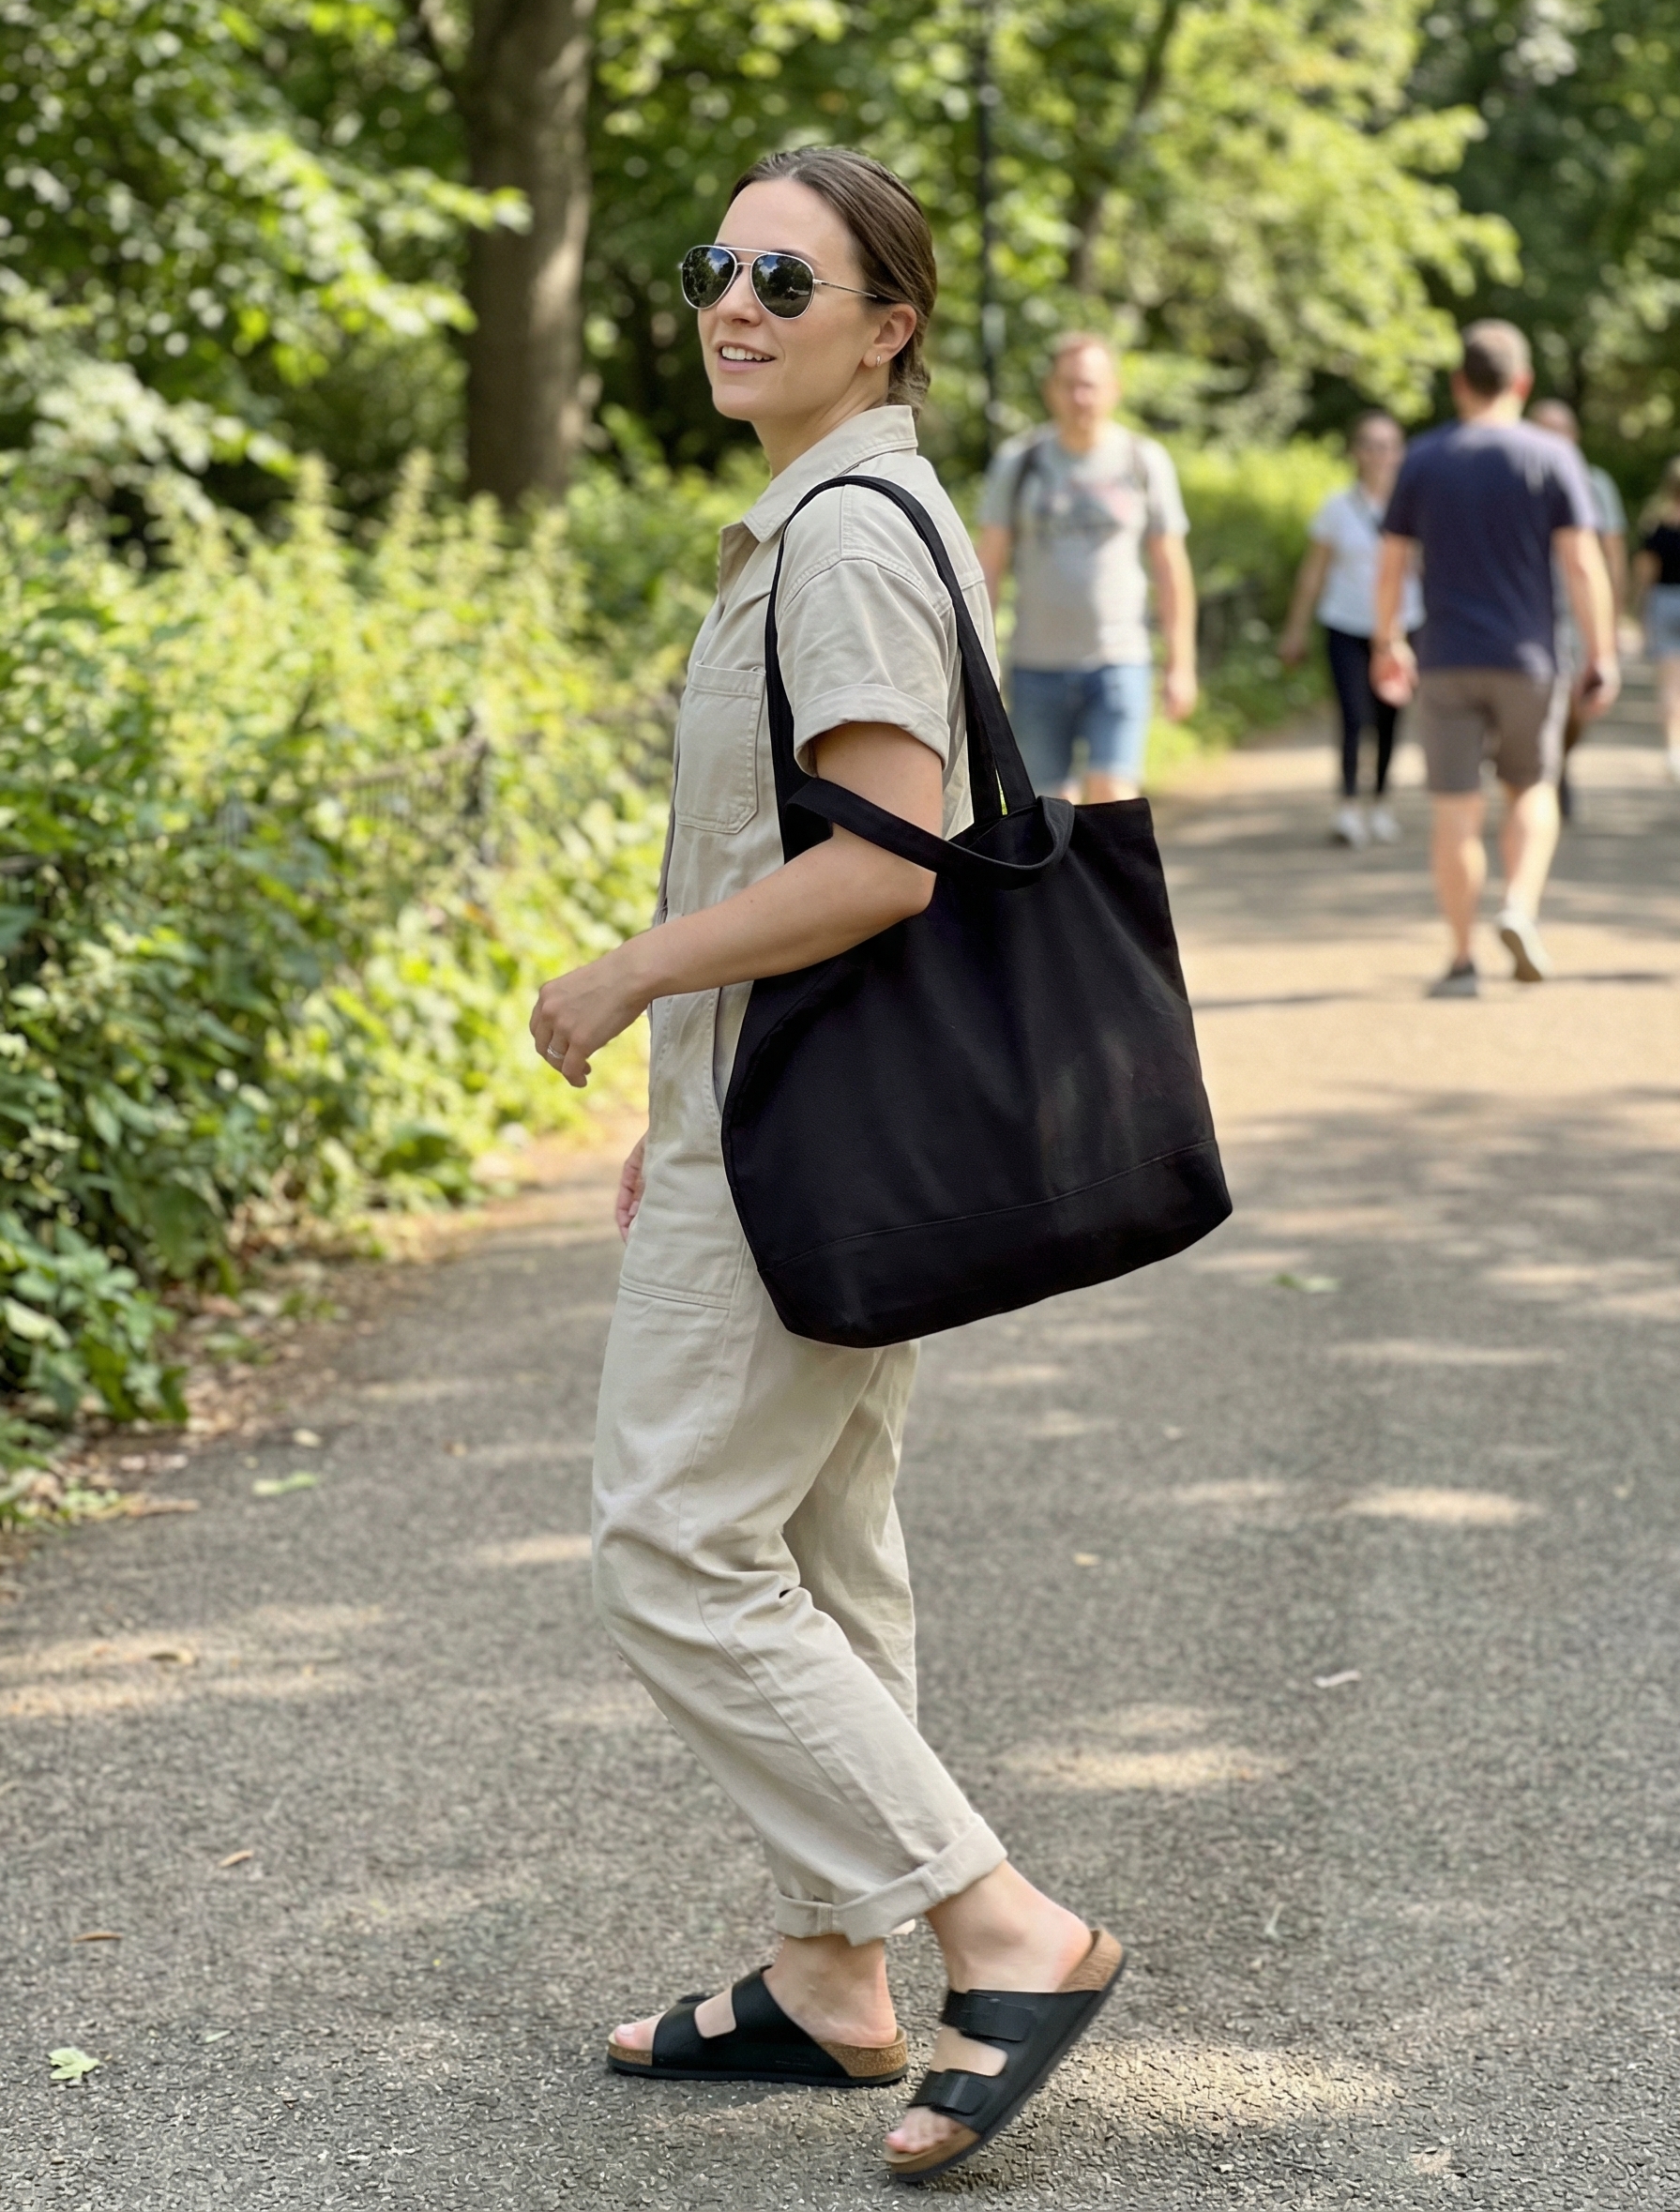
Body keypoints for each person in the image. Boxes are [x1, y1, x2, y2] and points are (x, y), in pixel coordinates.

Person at [526, 147, 1124, 2186]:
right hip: (786, 1118)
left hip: (796, 1133)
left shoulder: (848, 530)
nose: (735, 297)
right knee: (819, 1540)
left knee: (675, 1544)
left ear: (888, 326)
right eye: (717, 265)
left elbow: (877, 857)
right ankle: (827, 1976)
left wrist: (626, 980)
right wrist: (672, 1095)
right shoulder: (827, 516)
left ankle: (994, 1926)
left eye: (789, 273)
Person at [1372, 320, 1620, 997]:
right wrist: (1602, 653)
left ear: (1459, 383)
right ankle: (1519, 905)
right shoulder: (1552, 457)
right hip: (1530, 658)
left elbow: (1391, 565)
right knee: (1532, 789)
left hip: (1446, 657)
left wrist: (1387, 642)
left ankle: (1459, 961)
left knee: (1456, 812)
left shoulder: (1421, 459)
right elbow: (1582, 564)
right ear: (1523, 382)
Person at [976, 333, 1196, 800]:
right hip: (1035, 667)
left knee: (1113, 800)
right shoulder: (1018, 463)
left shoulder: (1144, 461)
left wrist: (1181, 664)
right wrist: (983, 659)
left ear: (1114, 389)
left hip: (1119, 663)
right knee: (1049, 818)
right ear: (1050, 390)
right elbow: (987, 567)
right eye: (1070, 384)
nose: (1081, 397)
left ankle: (1109, 879)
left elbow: (1171, 570)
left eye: (1091, 385)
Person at [1279, 411, 1421, 847]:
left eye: (1390, 446)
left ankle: (1380, 803)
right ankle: (1347, 806)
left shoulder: (1416, 505)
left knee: (1389, 717)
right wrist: (1295, 630)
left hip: (1401, 628)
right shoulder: (1336, 507)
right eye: (1372, 445)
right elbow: (1313, 573)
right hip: (1345, 624)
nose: (1381, 455)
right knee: (1353, 716)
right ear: (1357, 452)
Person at [1528, 398, 1629, 818]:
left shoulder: (1594, 484)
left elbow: (1612, 553)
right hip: (1528, 605)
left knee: (1579, 702)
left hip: (1578, 607)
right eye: (1543, 429)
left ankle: (1559, 762)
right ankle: (1540, 776)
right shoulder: (1516, 475)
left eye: (1561, 430)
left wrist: (1613, 617)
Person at [1634, 455, 1680, 783]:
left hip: (1664, 602)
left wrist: (1638, 610)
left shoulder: (1657, 527)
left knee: (1670, 684)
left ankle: (1673, 751)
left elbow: (1645, 575)